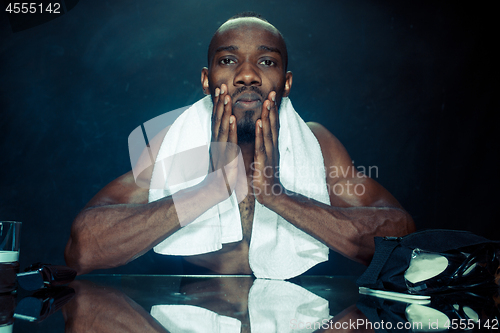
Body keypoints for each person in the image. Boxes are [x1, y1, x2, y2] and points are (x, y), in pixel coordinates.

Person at [65, 12, 415, 277]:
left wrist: (278, 195)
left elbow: (401, 238)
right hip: (188, 318)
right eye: (228, 60)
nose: (247, 75)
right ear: (207, 80)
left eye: (266, 61)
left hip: (296, 318)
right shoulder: (176, 143)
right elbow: (82, 248)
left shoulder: (315, 144)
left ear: (287, 82)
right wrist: (208, 189)